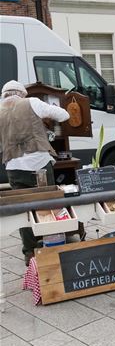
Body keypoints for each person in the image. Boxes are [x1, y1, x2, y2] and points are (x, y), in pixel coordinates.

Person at [0, 80, 70, 266]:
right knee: (48, 204)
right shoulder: (31, 102)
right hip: (38, 164)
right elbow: (64, 115)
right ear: (21, 94)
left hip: (13, 167)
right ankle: (52, 245)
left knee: (23, 210)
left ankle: (30, 252)